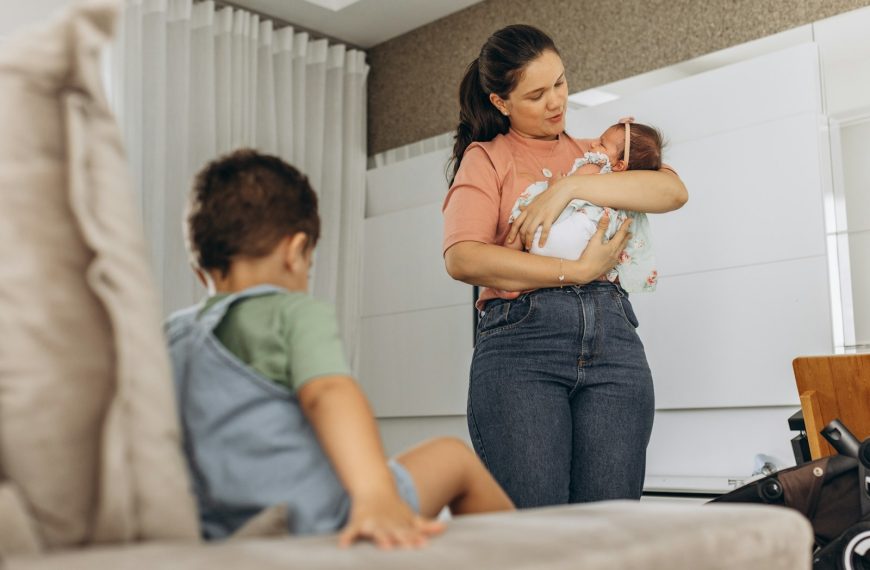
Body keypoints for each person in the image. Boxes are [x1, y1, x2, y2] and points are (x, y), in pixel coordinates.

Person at [167, 149, 514, 549]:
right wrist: (376, 496)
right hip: (320, 516)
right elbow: (329, 392)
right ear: (296, 252)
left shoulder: (172, 335)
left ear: (199, 271)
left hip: (228, 527)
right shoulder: (290, 312)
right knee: (454, 458)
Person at [442, 24, 688, 508]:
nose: (556, 101)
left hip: (614, 345)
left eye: (560, 82)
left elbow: (672, 192)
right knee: (539, 528)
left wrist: (568, 188)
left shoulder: (597, 154)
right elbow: (462, 257)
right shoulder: (486, 158)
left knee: (611, 526)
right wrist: (574, 271)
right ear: (501, 102)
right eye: (536, 94)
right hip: (523, 347)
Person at [504, 119, 664, 293]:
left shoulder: (595, 167)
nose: (593, 143)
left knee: (527, 208)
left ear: (619, 165)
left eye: (602, 144)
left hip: (560, 238)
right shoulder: (627, 192)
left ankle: (509, 274)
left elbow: (563, 189)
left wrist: (553, 184)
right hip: (587, 251)